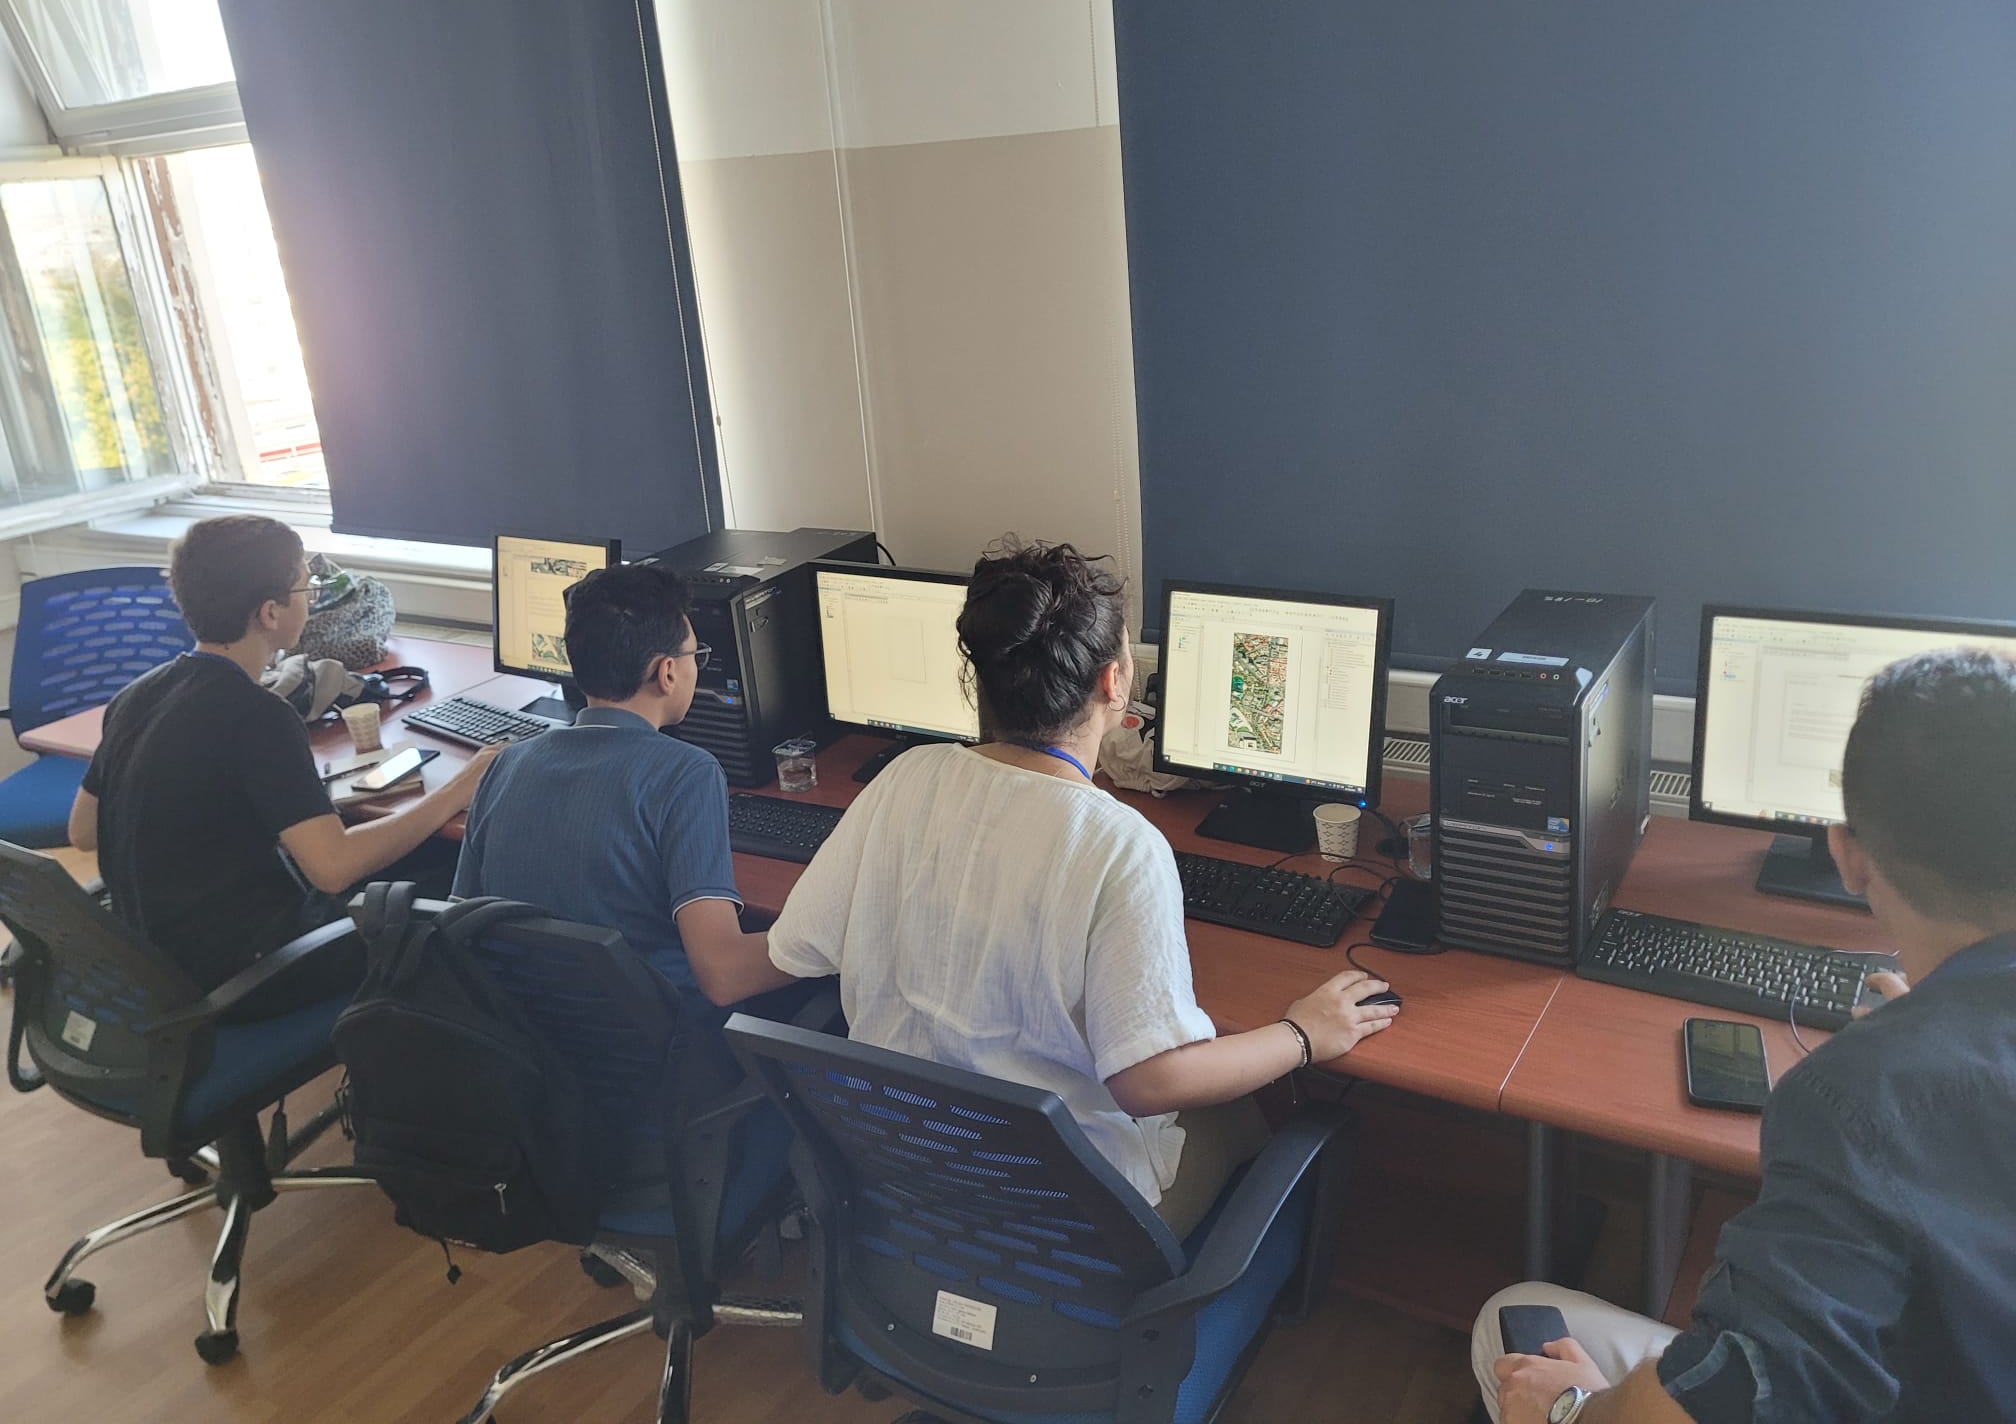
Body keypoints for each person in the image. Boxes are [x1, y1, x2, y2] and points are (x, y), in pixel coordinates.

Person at [765, 538, 1398, 1238]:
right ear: (1113, 684)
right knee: (1247, 1113)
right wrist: (1303, 1034)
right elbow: (1149, 1082)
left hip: (903, 1175)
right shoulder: (1117, 843)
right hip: (1059, 1216)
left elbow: (797, 945)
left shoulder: (904, 777)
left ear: (981, 677)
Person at [1473, 647, 2016, 1424]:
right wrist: (1931, 1025)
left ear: (1847, 856)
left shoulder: (1859, 1096)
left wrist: (1570, 1411)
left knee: (1510, 1318)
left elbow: (1725, 1405)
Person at [67, 515, 498, 994]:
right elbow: (333, 869)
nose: (311, 599)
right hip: (249, 971)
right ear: (270, 613)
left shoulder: (138, 694)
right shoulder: (258, 715)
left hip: (149, 958)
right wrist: (460, 787)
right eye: (305, 588)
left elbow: (83, 831)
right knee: (453, 874)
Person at [453, 561, 802, 1025]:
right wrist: (837, 941)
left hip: (529, 1045)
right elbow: (724, 975)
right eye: (696, 656)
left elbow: (461, 924)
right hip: (668, 1048)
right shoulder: (687, 773)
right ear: (667, 672)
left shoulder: (505, 764)